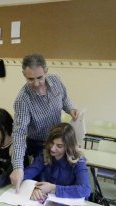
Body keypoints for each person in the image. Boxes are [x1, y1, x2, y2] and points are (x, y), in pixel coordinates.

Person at [10, 53, 79, 192]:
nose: (35, 83)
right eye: (30, 79)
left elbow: (64, 98)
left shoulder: (56, 81)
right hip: (38, 145)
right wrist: (18, 167)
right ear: (24, 74)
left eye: (39, 78)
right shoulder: (23, 99)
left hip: (59, 142)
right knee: (38, 186)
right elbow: (19, 133)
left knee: (58, 181)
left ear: (46, 71)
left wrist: (70, 109)